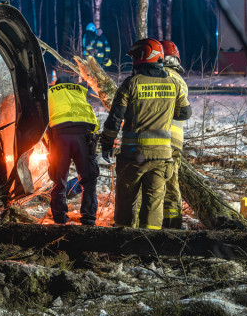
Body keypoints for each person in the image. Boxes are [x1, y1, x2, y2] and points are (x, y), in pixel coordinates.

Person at [99, 38, 191, 229]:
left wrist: (107, 143)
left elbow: (115, 119)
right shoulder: (173, 83)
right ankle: (149, 243)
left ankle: (123, 240)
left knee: (126, 201)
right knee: (153, 203)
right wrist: (164, 111)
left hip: (133, 156)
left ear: (142, 57)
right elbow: (185, 113)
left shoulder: (131, 84)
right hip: (162, 157)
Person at [46, 72, 100, 225]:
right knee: (89, 180)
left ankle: (60, 219)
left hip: (60, 136)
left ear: (56, 84)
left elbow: (44, 122)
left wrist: (48, 143)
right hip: (83, 135)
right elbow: (93, 120)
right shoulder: (79, 92)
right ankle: (89, 219)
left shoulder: (50, 93)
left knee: (59, 179)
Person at [160, 40, 189, 229]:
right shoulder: (180, 80)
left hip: (159, 137)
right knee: (171, 183)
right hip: (176, 140)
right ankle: (173, 225)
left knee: (153, 183)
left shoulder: (157, 76)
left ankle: (151, 225)